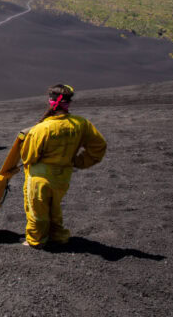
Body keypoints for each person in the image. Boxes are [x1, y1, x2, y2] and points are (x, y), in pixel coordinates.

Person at [20, 84, 107, 249]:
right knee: (55, 207)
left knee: (37, 211)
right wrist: (79, 161)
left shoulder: (42, 129)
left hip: (40, 177)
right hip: (63, 176)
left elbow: (29, 156)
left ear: (51, 101)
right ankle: (58, 236)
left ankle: (36, 240)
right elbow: (99, 146)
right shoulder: (81, 124)